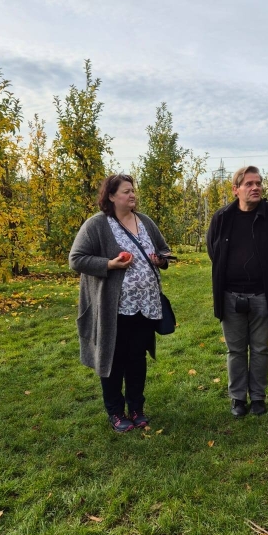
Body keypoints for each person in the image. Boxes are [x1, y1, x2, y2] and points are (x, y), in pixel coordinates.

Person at [69, 174, 171, 433]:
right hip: (114, 307)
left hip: (145, 304)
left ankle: (136, 408)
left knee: (137, 357)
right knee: (113, 358)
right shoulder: (97, 225)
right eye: (126, 191)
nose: (132, 194)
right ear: (112, 196)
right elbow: (76, 259)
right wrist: (109, 264)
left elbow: (164, 249)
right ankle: (115, 412)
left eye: (133, 190)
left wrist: (161, 260)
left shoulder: (145, 221)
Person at [207, 166, 268, 418]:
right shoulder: (222, 217)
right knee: (235, 350)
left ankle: (258, 397)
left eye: (258, 183)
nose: (256, 187)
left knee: (260, 349)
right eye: (249, 184)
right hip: (230, 296)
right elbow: (213, 251)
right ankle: (238, 398)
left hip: (263, 296)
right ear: (235, 189)